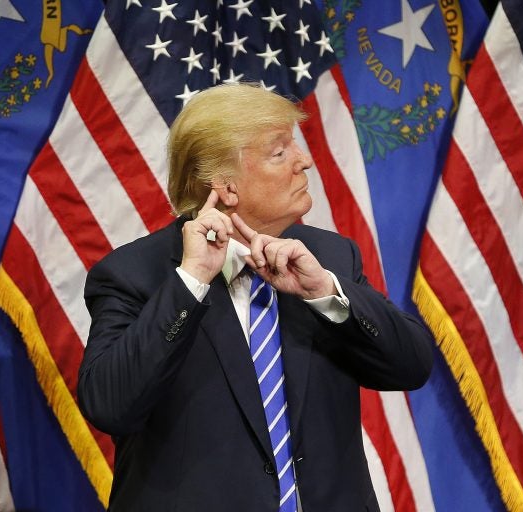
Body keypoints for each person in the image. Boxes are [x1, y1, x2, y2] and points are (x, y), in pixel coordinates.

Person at [77, 82, 434, 511]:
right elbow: (110, 406)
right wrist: (191, 283)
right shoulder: (134, 274)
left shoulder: (329, 256)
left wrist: (324, 292)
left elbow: (410, 366)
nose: (305, 161)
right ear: (226, 187)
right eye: (279, 152)